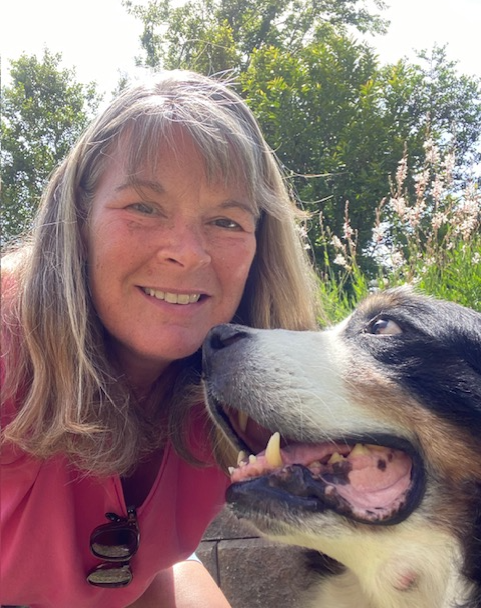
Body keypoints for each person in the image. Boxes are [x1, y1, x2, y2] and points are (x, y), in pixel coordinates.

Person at [0, 70, 320, 608]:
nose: (188, 252)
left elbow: (138, 572)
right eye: (144, 208)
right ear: (77, 221)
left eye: (226, 221)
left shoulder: (238, 395)